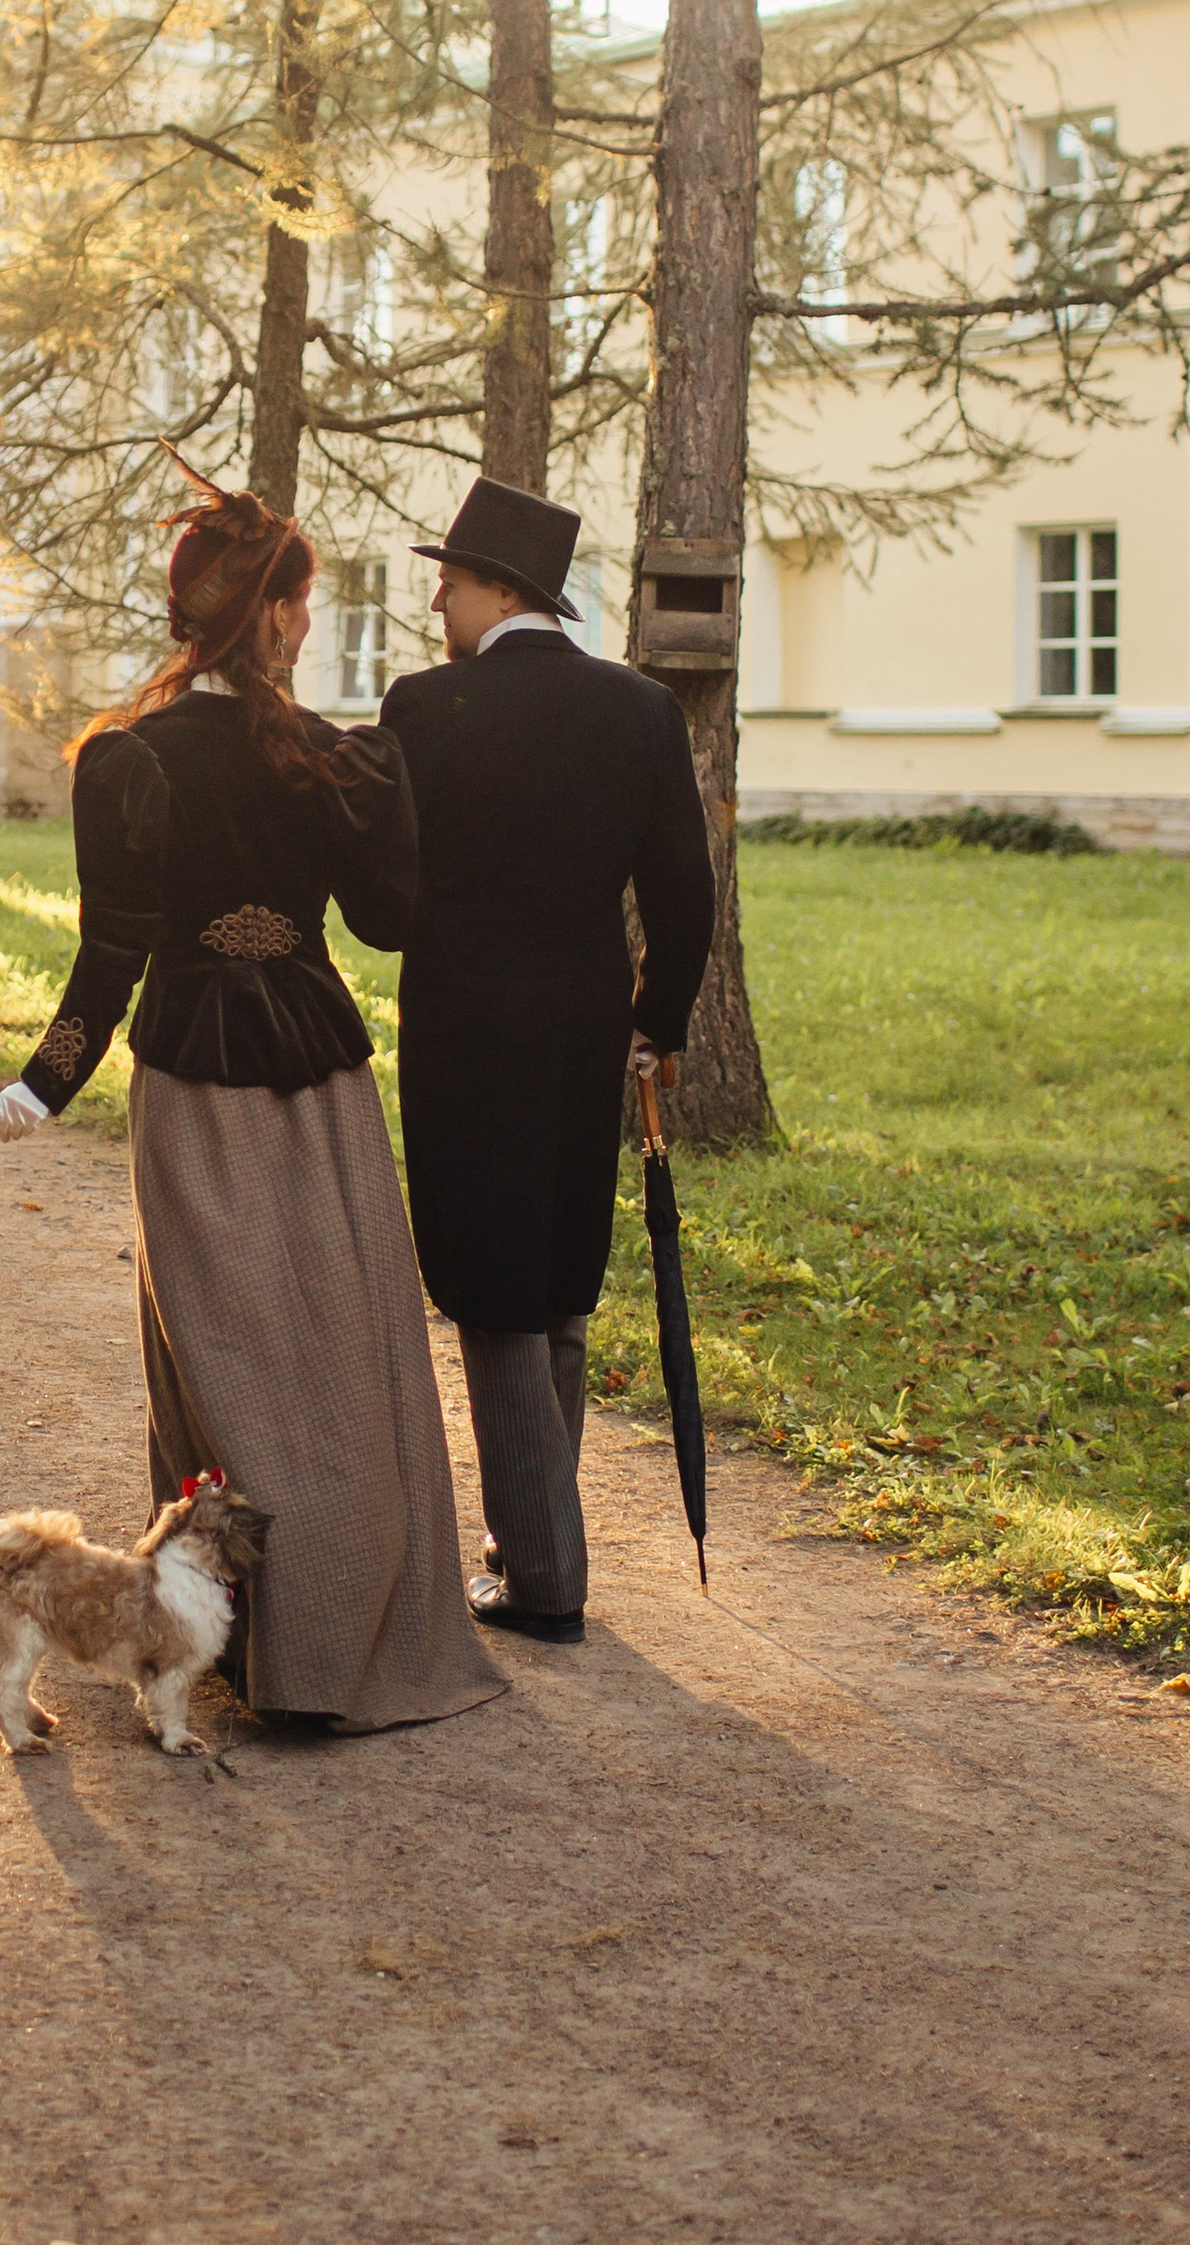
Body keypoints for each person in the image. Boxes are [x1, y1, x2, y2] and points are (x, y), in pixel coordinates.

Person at [0, 483, 506, 1738]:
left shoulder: (132, 756)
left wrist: (46, 1079)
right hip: (320, 1085)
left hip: (197, 1087)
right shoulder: (335, 752)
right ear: (263, 614)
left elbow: (113, 955)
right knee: (336, 1354)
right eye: (301, 600)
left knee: (225, 1364)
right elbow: (387, 921)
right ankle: (322, 1629)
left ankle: (275, 1640)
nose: (309, 623)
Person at [380, 479, 716, 1645]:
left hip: (468, 1028)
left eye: (451, 580)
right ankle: (531, 1532)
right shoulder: (638, 711)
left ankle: (541, 1575)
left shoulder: (423, 708)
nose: (437, 599)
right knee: (560, 1278)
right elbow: (683, 891)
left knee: (491, 1288)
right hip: (584, 1023)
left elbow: (387, 898)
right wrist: (656, 1020)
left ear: (501, 590)